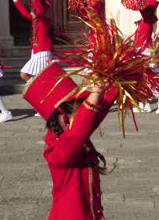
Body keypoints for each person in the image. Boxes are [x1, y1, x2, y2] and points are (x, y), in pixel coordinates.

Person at [23, 63, 118, 220]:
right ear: (64, 117)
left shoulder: (71, 134)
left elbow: (98, 112)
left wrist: (115, 79)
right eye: (79, 111)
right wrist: (95, 93)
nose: (84, 115)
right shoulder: (59, 148)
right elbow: (79, 131)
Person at [131, 0, 159, 114]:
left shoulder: (147, 19)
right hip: (141, 51)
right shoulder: (146, 20)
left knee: (147, 79)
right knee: (142, 80)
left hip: (143, 52)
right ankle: (144, 104)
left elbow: (142, 9)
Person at [10, 0, 53, 82]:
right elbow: (23, 11)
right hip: (36, 51)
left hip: (42, 52)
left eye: (32, 8)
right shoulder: (35, 20)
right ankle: (41, 91)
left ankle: (39, 89)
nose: (30, 10)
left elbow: (40, 10)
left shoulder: (42, 20)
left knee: (25, 74)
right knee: (40, 78)